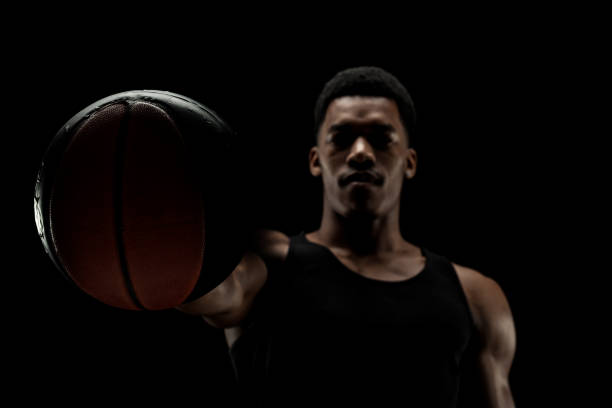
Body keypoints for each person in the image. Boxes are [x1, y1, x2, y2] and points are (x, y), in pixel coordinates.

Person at [176, 66, 516, 407]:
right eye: (341, 138)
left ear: (409, 162)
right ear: (315, 160)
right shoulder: (271, 263)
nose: (360, 153)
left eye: (382, 139)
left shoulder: (476, 295)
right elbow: (199, 286)